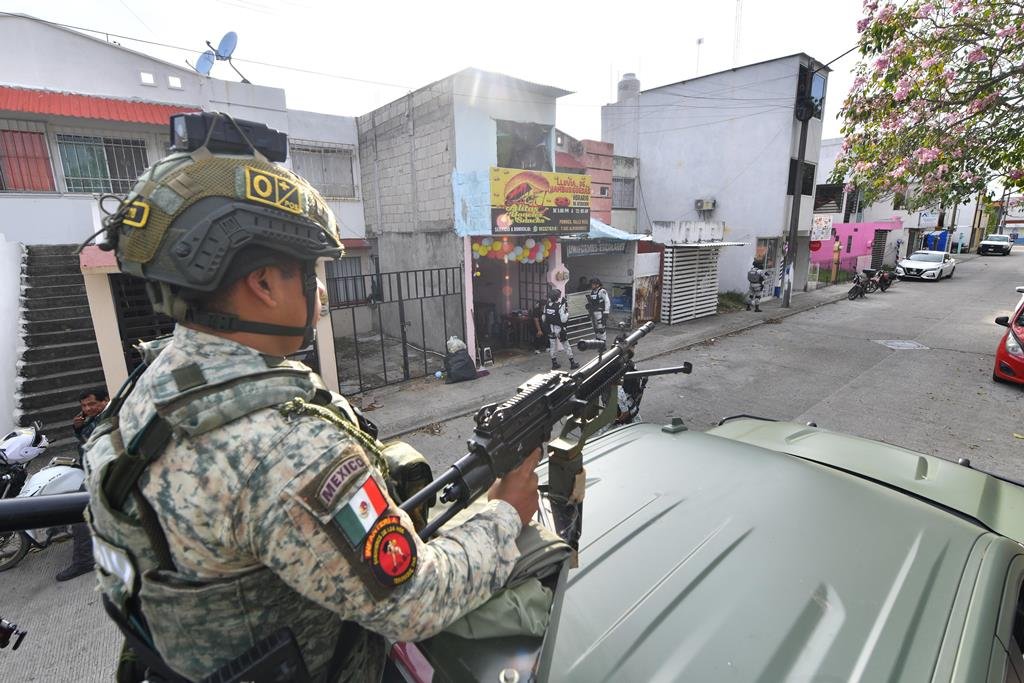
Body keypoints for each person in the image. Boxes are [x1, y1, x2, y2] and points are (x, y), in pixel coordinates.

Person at [82, 113, 540, 682]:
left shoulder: (148, 386)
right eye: (313, 271)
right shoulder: (285, 447)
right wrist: (504, 513)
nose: (321, 290)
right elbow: (415, 600)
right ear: (265, 284)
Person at [55, 388, 109, 582]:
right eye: (84, 406)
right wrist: (78, 428)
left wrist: (82, 428)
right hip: (91, 470)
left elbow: (96, 441)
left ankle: (84, 560)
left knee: (79, 512)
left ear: (105, 401)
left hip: (103, 472)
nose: (87, 408)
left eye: (92, 404)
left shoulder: (109, 417)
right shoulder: (93, 418)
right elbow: (86, 441)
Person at [541, 288, 579, 371]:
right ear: (557, 297)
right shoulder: (559, 306)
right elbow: (563, 319)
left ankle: (554, 364)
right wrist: (567, 313)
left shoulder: (546, 306)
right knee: (566, 345)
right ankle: (572, 363)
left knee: (552, 346)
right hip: (560, 329)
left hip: (551, 329)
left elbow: (543, 318)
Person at [585, 278, 612, 346]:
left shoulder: (602, 291)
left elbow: (607, 301)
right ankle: (598, 340)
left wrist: (606, 312)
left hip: (600, 312)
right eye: (591, 284)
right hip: (593, 312)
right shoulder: (592, 292)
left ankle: (603, 341)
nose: (592, 286)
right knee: (595, 327)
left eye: (593, 284)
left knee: (601, 327)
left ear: (597, 284)